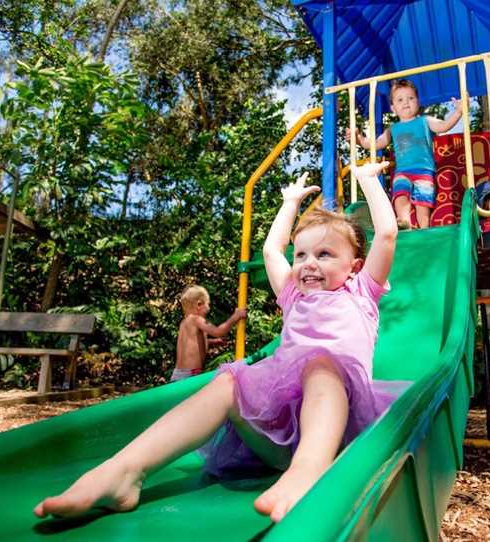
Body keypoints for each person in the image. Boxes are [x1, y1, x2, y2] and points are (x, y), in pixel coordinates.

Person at [33, 162, 402, 523]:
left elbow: (386, 234)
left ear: (354, 266)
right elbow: (273, 251)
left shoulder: (360, 293)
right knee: (229, 380)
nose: (308, 263)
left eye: (324, 254)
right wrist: (289, 204)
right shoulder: (293, 295)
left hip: (338, 434)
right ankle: (124, 471)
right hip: (276, 439)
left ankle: (309, 471)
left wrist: (368, 181)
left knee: (322, 365)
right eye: (302, 254)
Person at [349, 79, 462, 229]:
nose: (406, 102)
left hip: (424, 171)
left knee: (423, 202)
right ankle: (404, 222)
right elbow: (376, 144)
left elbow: (443, 126)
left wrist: (459, 111)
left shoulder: (425, 121)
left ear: (418, 101)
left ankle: (424, 228)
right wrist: (358, 139)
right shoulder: (393, 129)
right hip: (402, 171)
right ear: (393, 108)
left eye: (411, 98)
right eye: (400, 100)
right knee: (400, 195)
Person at [172, 286, 246, 382]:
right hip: (189, 374)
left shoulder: (185, 323)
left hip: (179, 373)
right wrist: (236, 317)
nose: (209, 308)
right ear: (199, 304)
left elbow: (192, 344)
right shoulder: (196, 319)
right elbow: (218, 332)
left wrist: (213, 342)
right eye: (208, 304)